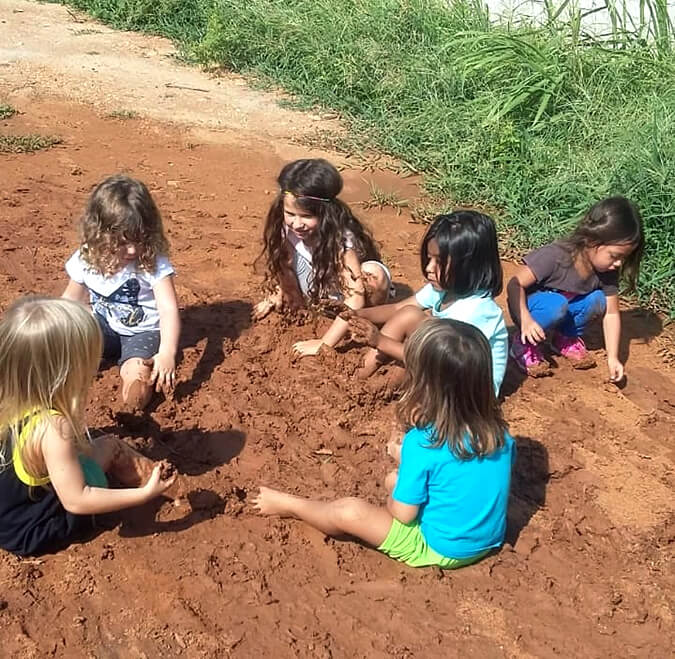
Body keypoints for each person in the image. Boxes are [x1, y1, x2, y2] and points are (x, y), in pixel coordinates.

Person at [254, 318, 515, 569]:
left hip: (438, 549)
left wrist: (396, 482)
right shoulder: (501, 436)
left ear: (425, 386)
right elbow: (460, 472)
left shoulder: (423, 443)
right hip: (487, 540)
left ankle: (289, 505)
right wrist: (405, 462)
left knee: (350, 511)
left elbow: (403, 514)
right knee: (402, 479)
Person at [0, 297, 176, 556]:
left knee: (81, 448)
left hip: (8, 514)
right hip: (35, 530)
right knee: (110, 446)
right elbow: (77, 500)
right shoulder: (53, 427)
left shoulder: (8, 400)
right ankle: (167, 487)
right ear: (65, 372)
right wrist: (143, 496)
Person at [347, 211, 507, 396]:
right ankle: (358, 376)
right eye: (429, 258)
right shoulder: (444, 289)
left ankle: (370, 392)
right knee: (408, 315)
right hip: (441, 366)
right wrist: (355, 314)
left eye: (439, 262)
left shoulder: (478, 311)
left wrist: (380, 341)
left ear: (469, 266)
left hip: (468, 394)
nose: (429, 268)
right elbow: (397, 309)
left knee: (410, 357)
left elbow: (438, 360)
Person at [253, 158, 393, 358]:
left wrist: (324, 343)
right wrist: (280, 292)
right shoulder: (284, 227)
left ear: (325, 214)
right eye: (290, 213)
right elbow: (282, 264)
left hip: (345, 296)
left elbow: (355, 296)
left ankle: (367, 321)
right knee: (284, 259)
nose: (297, 223)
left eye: (307, 217)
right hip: (318, 288)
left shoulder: (341, 241)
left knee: (374, 275)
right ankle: (301, 306)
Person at [62, 175, 180, 410]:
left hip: (142, 332)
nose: (133, 249)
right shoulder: (86, 258)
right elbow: (69, 300)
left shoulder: (152, 262)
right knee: (71, 349)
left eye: (139, 240)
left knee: (136, 376)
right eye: (123, 242)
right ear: (101, 234)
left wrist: (167, 352)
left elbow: (168, 309)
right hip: (101, 326)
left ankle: (135, 388)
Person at [507, 196, 644, 381]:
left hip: (560, 307)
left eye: (624, 258)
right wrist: (525, 319)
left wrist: (613, 358)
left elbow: (611, 313)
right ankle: (522, 344)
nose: (618, 263)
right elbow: (514, 283)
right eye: (614, 255)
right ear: (591, 240)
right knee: (556, 304)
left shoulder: (607, 270)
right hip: (529, 309)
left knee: (598, 299)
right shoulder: (555, 256)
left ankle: (564, 337)